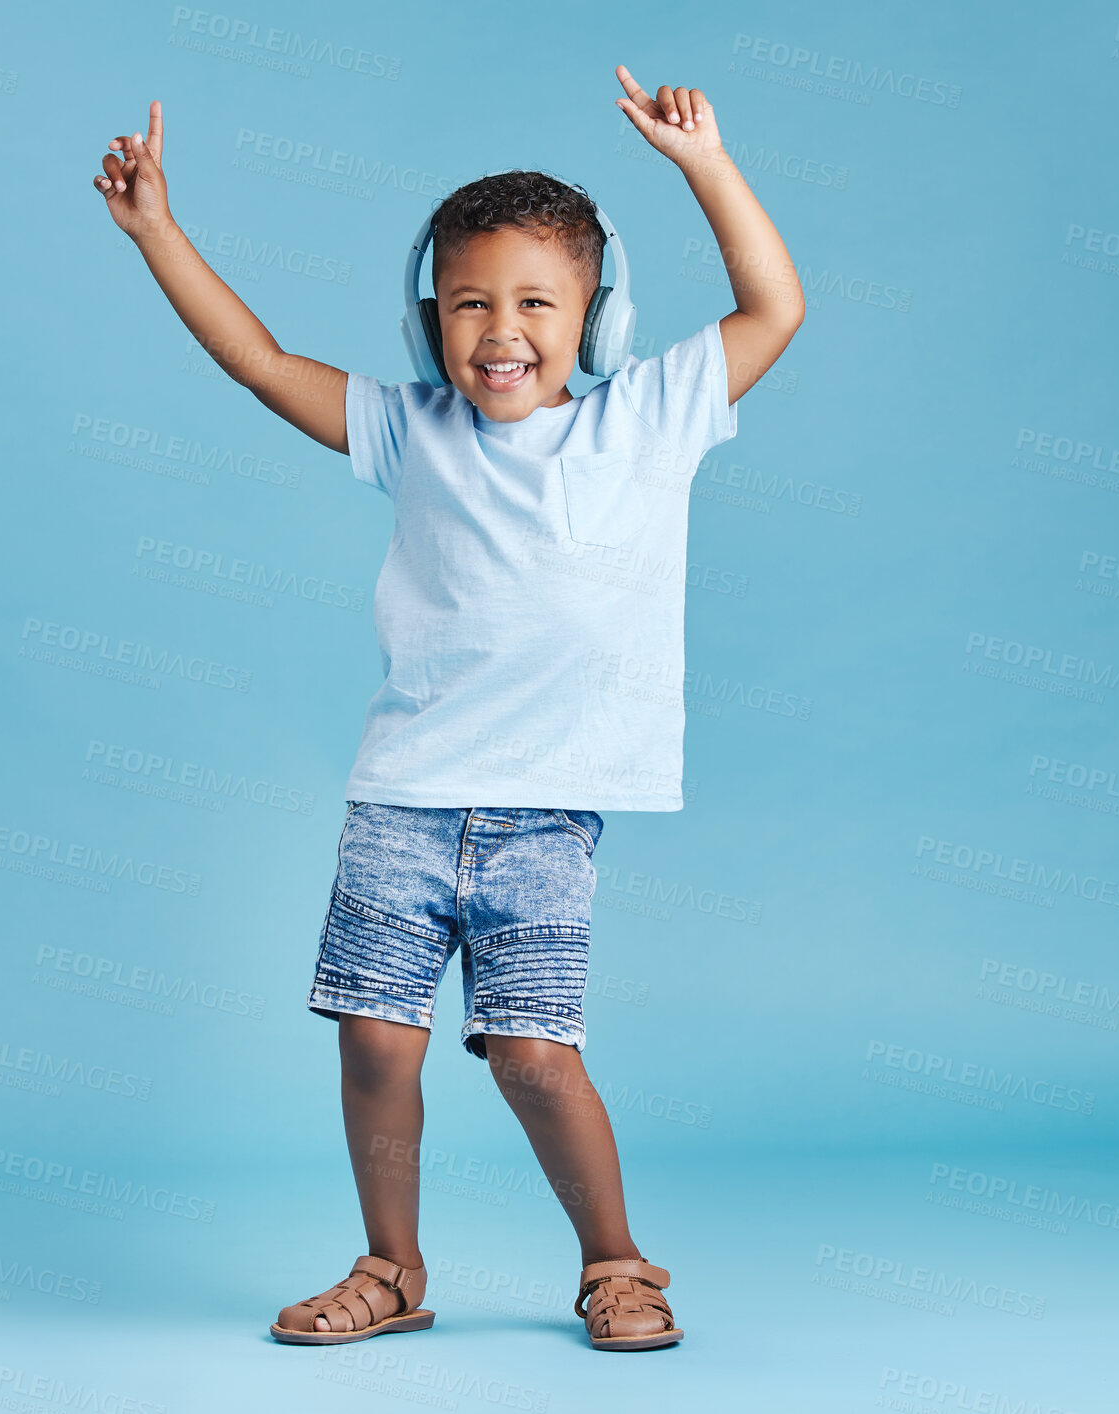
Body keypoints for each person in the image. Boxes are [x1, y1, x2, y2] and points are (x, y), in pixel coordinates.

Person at [93, 63, 804, 1353]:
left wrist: (702, 163)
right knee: (376, 1046)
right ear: (432, 319)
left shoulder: (650, 420)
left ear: (594, 318)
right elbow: (258, 361)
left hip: (545, 815)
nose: (501, 330)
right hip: (403, 798)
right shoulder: (412, 432)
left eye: (537, 301)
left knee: (534, 1056)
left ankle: (618, 1263)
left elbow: (775, 304)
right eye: (470, 303)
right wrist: (158, 233)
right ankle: (392, 1268)